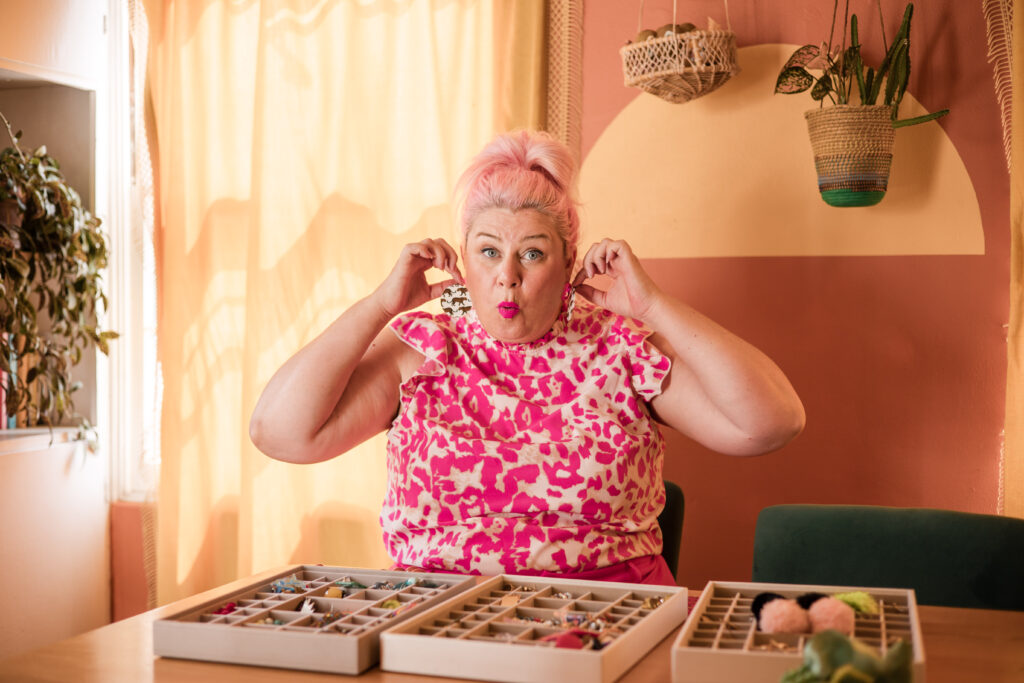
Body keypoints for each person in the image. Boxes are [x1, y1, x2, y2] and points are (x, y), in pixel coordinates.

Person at [250, 130, 805, 586]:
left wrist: (655, 308)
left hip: (612, 620)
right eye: (488, 251)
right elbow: (279, 433)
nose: (506, 275)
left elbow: (772, 423)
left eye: (532, 253)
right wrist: (378, 305)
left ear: (569, 264)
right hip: (437, 623)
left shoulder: (621, 348)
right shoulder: (420, 349)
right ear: (463, 261)